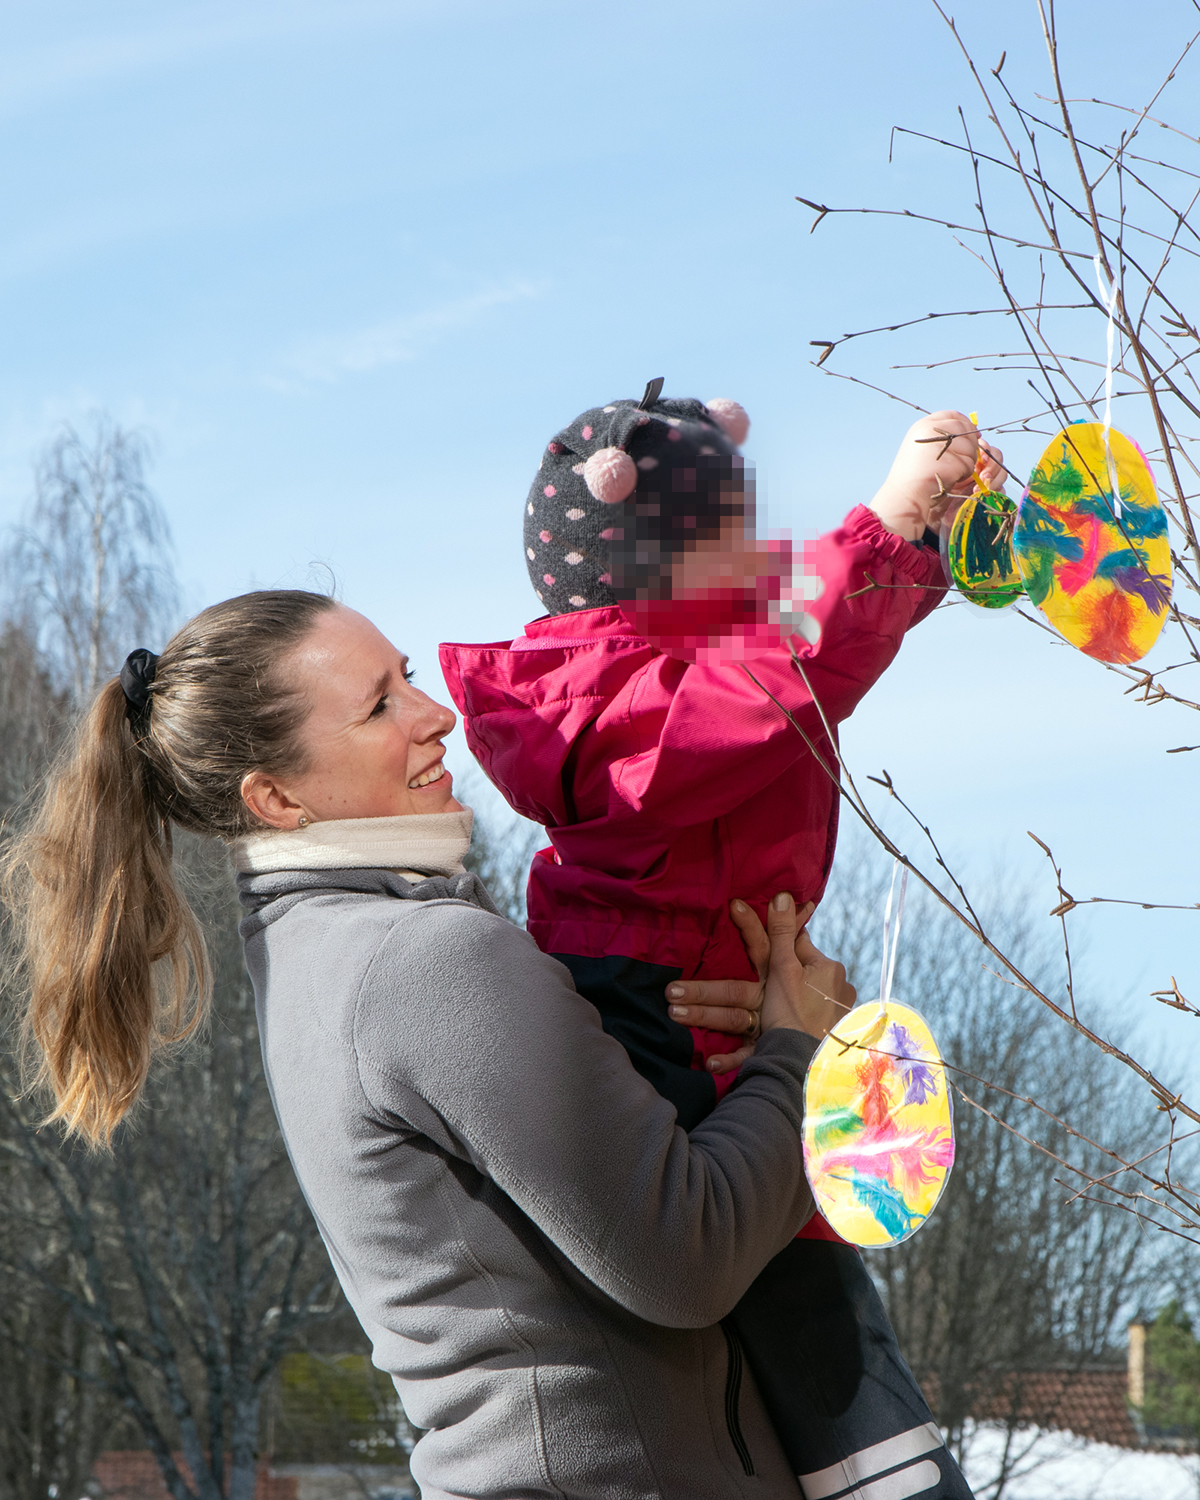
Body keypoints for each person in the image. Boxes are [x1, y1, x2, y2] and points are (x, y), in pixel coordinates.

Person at [5, 587, 864, 1499]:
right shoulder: (424, 960)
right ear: (278, 797)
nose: (438, 713)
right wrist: (798, 1053)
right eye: (380, 705)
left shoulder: (318, 960)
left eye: (406, 677)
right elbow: (686, 1255)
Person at [440, 386, 1001, 1496]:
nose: (763, 556)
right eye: (730, 538)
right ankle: (885, 1472)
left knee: (799, 1270)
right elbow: (776, 678)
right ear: (642, 563)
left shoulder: (707, 646)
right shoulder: (599, 701)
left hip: (737, 992)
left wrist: (927, 523)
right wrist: (881, 522)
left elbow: (814, 632)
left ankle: (870, 1459)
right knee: (784, 1282)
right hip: (646, 1009)